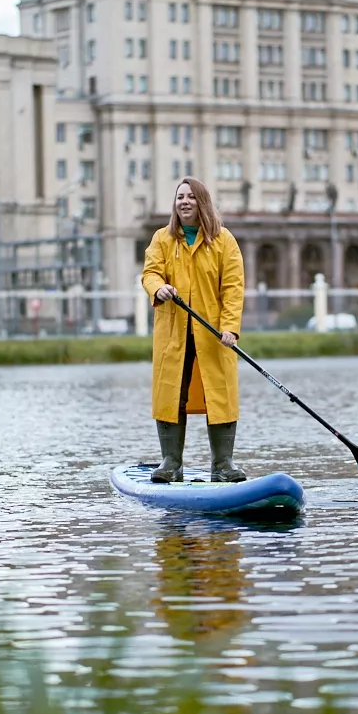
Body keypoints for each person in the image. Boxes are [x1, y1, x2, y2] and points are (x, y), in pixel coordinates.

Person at [141, 177, 246, 484]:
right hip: (173, 332)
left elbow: (233, 288)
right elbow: (150, 273)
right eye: (179, 197)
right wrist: (158, 288)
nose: (184, 202)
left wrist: (230, 328)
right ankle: (171, 463)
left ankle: (223, 465)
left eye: (190, 197)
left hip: (213, 334)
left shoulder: (224, 240)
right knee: (171, 394)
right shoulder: (162, 239)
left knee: (221, 393)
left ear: (203, 202)